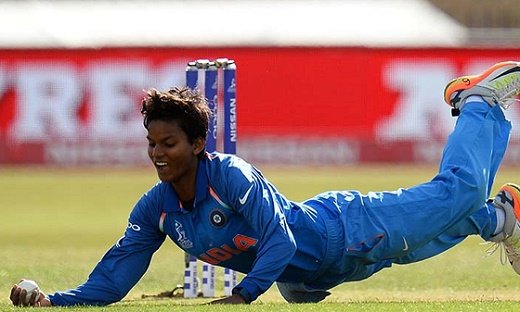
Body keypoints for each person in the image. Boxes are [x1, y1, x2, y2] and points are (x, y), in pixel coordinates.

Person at [10, 61, 520, 307]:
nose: (158, 154)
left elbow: (281, 238)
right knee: (300, 289)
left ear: (196, 145)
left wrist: (242, 295)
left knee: (457, 192)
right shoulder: (157, 209)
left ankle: (478, 103)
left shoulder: (231, 175)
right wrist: (56, 300)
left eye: (169, 143)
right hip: (314, 272)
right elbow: (117, 273)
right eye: (152, 143)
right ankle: (501, 217)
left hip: (347, 228)